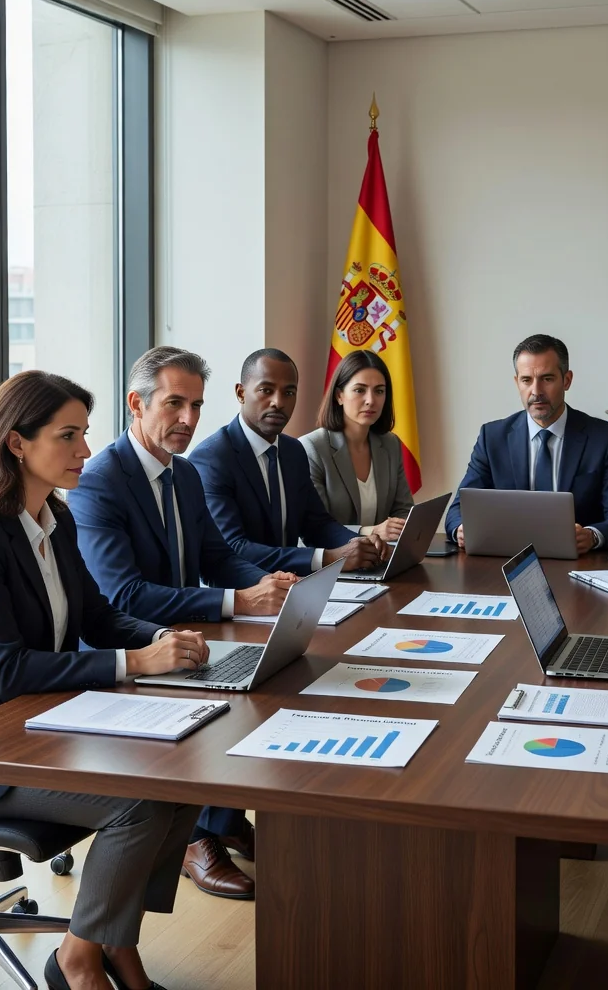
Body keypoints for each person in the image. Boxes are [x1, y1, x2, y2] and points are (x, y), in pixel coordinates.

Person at [0, 370, 209, 990]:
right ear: (17, 443)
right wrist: (136, 664)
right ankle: (78, 958)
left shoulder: (54, 519)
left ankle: (113, 946)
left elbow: (96, 616)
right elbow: (5, 667)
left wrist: (159, 640)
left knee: (179, 781)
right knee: (137, 802)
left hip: (31, 726)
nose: (85, 451)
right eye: (67, 436)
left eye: (85, 434)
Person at [70, 347, 289, 901]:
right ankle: (194, 836)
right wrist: (239, 600)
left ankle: (222, 818)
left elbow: (218, 556)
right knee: (236, 692)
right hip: (124, 650)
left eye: (195, 405)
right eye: (174, 403)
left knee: (273, 677)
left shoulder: (184, 475)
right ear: (135, 404)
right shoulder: (99, 481)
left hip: (183, 637)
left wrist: (273, 589)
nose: (189, 419)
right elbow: (125, 594)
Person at [189, 348, 388, 576]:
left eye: (289, 392)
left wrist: (363, 545)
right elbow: (233, 548)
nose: (278, 402)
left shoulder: (293, 451)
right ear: (241, 393)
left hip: (295, 587)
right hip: (244, 594)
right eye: (266, 390)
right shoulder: (212, 458)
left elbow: (317, 524)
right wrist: (330, 557)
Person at [445, 334, 608, 553]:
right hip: (507, 560)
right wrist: (461, 529)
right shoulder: (492, 437)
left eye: (547, 379)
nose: (536, 391)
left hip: (579, 565)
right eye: (526, 380)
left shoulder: (603, 438)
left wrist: (592, 536)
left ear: (566, 380)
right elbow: (459, 508)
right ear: (516, 382)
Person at [300, 349, 414, 540]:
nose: (371, 400)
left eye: (379, 391)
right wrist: (371, 532)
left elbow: (403, 510)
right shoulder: (311, 448)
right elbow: (316, 528)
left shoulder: (390, 443)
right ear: (339, 396)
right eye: (360, 390)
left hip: (381, 559)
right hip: (333, 562)